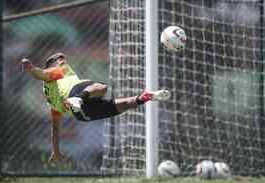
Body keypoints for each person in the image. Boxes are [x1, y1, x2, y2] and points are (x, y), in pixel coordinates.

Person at [21, 52, 171, 163]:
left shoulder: (52, 101)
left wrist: (56, 151)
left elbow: (55, 127)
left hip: (81, 113)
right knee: (102, 87)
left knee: (123, 105)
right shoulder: (55, 73)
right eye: (58, 60)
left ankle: (146, 97)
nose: (62, 60)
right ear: (51, 67)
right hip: (77, 94)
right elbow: (41, 73)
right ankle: (78, 99)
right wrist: (31, 68)